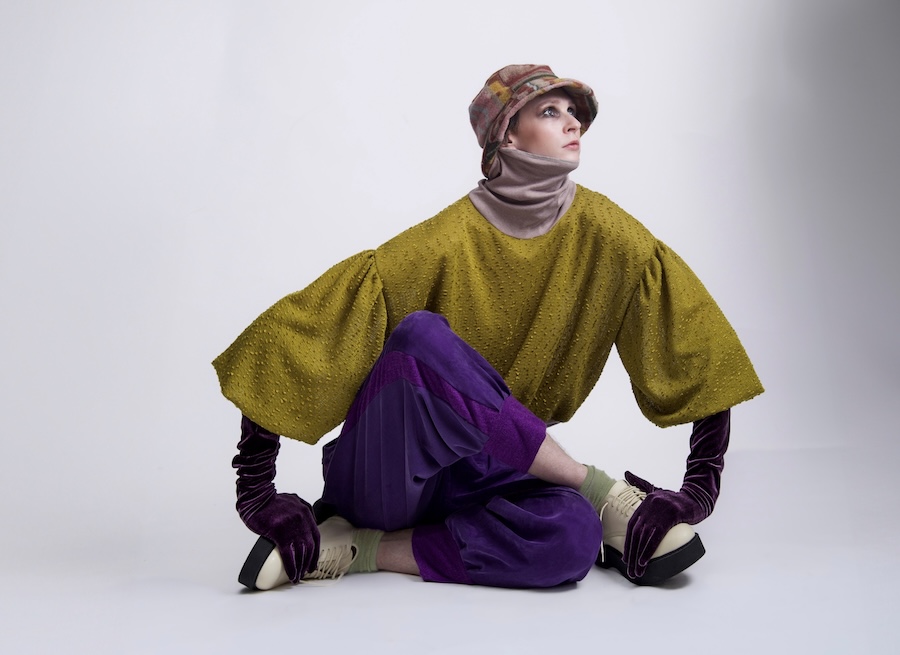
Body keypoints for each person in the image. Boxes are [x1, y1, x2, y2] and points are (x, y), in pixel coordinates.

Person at [213, 64, 764, 591]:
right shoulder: (440, 243)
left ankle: (361, 549)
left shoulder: (611, 237)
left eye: (574, 112)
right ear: (507, 136)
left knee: (574, 538)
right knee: (423, 337)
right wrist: (257, 496)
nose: (573, 123)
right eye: (550, 111)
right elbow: (292, 345)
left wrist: (697, 490)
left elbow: (698, 345)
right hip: (389, 475)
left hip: (491, 475)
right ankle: (599, 491)